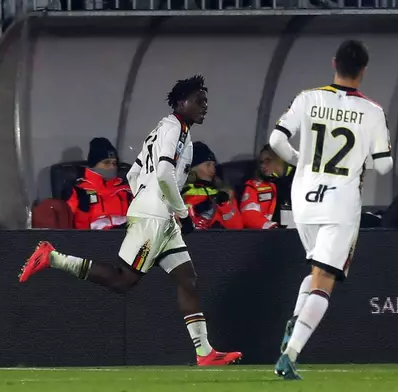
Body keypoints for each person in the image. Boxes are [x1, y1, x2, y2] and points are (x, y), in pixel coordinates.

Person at [18, 75, 242, 366]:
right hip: (155, 218)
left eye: (206, 101)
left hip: (158, 216)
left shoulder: (166, 129)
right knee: (124, 281)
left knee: (188, 280)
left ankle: (204, 353)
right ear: (181, 102)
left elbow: (135, 174)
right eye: (199, 100)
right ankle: (52, 258)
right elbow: (162, 174)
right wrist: (179, 210)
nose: (205, 106)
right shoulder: (174, 129)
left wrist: (147, 199)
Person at [268, 40, 393, 380]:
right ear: (364, 71)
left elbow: (277, 141)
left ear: (334, 62)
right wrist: (366, 156)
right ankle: (290, 355)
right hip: (340, 201)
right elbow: (383, 166)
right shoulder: (372, 111)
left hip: (304, 199)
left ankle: (294, 323)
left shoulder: (308, 98)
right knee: (325, 280)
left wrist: (301, 161)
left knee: (315, 270)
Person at [66, 138, 132, 230]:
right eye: (107, 163)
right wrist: (82, 211)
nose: (112, 167)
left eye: (114, 163)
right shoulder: (78, 190)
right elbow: (67, 228)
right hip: (91, 242)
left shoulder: (127, 191)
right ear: (94, 164)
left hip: (125, 240)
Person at [182, 141, 243, 230]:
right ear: (193, 168)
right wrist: (197, 207)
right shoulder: (180, 192)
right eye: (208, 165)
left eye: (213, 165)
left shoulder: (224, 193)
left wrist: (225, 205)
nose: (212, 169)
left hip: (220, 241)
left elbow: (237, 228)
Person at [240, 144, 294, 229]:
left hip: (300, 231)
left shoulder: (300, 178)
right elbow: (248, 214)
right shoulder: (255, 185)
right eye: (261, 162)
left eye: (268, 160)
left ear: (280, 159)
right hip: (270, 235)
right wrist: (271, 227)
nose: (263, 165)